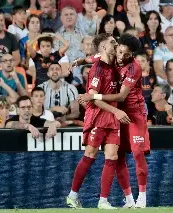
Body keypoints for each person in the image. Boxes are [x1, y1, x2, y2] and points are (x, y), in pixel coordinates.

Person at [79, 34, 150, 208]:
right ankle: (129, 199)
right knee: (116, 156)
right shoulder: (110, 57)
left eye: (126, 54)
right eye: (119, 52)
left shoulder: (134, 68)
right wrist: (79, 61)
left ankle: (142, 196)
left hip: (134, 113)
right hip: (117, 112)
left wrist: (93, 95)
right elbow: (94, 57)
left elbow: (121, 95)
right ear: (116, 47)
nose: (121, 57)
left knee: (138, 153)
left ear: (131, 54)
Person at [66, 33, 130, 210]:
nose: (116, 44)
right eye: (112, 42)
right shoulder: (98, 69)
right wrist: (116, 110)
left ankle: (103, 201)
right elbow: (92, 98)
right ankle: (72, 196)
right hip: (98, 116)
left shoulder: (114, 63)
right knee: (91, 155)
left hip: (113, 117)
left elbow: (92, 56)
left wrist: (79, 61)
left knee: (112, 157)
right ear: (103, 47)